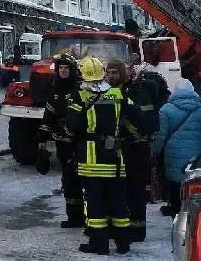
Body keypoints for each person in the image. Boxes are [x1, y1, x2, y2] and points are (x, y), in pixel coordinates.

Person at [67, 56, 140, 255]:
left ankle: (99, 244)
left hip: (91, 162)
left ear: (83, 75)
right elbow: (138, 116)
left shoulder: (80, 96)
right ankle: (123, 244)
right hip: (115, 159)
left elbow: (72, 126)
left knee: (94, 204)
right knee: (118, 202)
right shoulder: (118, 94)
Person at [110, 59, 159, 242]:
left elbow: (147, 123)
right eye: (108, 72)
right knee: (119, 190)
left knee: (135, 191)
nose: (110, 76)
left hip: (137, 149)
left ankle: (137, 230)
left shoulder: (136, 92)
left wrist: (129, 131)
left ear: (122, 74)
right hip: (120, 149)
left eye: (114, 72)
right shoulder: (112, 92)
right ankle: (122, 228)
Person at [37, 52, 83, 229]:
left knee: (82, 178)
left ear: (72, 70)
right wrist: (42, 141)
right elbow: (48, 118)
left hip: (79, 142)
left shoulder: (81, 89)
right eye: (61, 68)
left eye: (66, 68)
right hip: (62, 142)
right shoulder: (55, 91)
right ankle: (74, 218)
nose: (63, 71)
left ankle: (89, 216)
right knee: (68, 179)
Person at [152, 79, 201, 217]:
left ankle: (175, 207)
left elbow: (161, 135)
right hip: (196, 154)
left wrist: (156, 150)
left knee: (175, 182)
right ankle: (191, 209)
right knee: (191, 180)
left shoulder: (166, 110)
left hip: (173, 153)